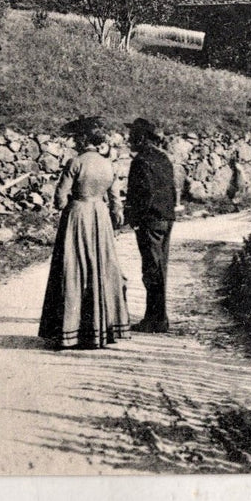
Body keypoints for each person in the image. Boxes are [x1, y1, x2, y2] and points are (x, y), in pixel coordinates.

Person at [38, 116, 130, 350]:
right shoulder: (108, 164)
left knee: (73, 266)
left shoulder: (75, 163)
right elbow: (115, 199)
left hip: (78, 215)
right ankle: (102, 328)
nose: (74, 143)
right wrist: (115, 211)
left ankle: (71, 329)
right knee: (101, 267)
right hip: (100, 216)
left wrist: (65, 202)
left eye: (76, 139)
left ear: (82, 139)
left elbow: (60, 199)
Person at [124, 117, 177, 333]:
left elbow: (143, 194)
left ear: (142, 137)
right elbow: (173, 189)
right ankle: (157, 316)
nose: (129, 139)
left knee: (151, 269)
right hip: (166, 218)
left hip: (150, 220)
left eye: (132, 135)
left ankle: (155, 320)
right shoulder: (163, 158)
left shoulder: (140, 161)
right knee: (159, 267)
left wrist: (135, 220)